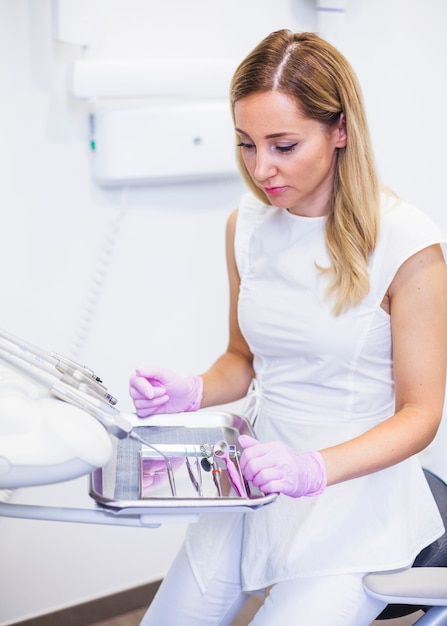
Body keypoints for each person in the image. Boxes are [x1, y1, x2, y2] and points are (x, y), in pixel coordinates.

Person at [129, 29, 447, 626]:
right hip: (254, 477)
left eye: (283, 145)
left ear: (340, 131)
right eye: (247, 145)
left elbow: (420, 415)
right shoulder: (245, 226)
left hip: (355, 499)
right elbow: (242, 359)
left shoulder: (409, 245)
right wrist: (192, 390)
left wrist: (314, 467)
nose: (262, 169)